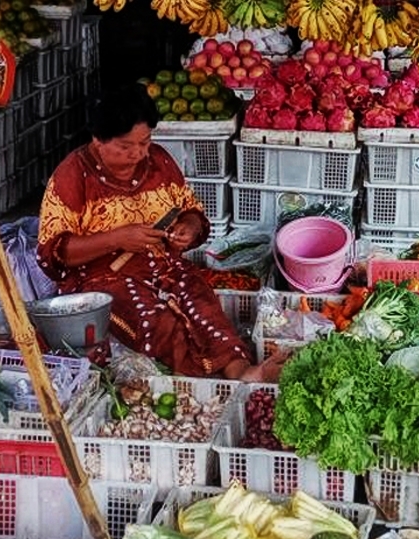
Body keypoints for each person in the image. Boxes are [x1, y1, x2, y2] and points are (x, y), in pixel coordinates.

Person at [37, 83, 283, 381]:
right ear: (98, 140)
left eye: (145, 142)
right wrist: (117, 238)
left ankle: (241, 371)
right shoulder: (72, 176)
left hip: (165, 266)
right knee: (162, 322)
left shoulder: (159, 161)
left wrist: (188, 229)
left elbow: (192, 212)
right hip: (102, 279)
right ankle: (204, 383)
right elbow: (54, 254)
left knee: (201, 302)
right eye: (126, 146)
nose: (139, 154)